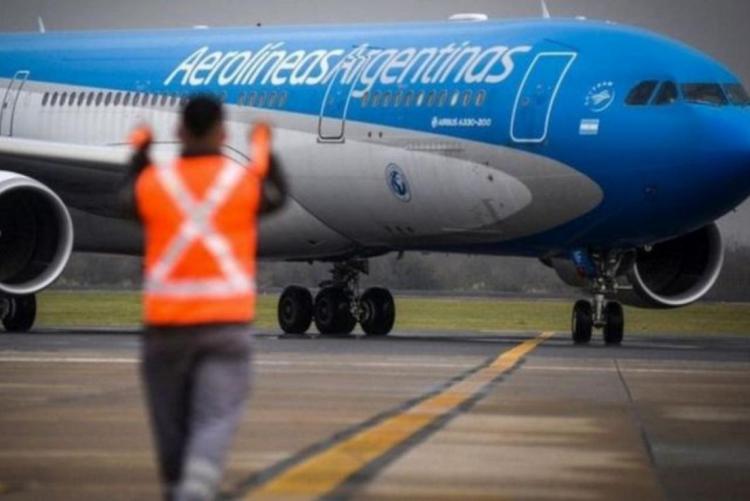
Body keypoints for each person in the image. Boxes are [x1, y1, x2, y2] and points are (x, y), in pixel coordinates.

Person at [122, 95, 286, 501]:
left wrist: (140, 153)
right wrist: (264, 147)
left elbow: (127, 199)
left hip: (166, 331)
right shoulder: (239, 183)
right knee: (214, 418)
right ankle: (196, 488)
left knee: (170, 427)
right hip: (225, 328)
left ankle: (178, 487)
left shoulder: (156, 182)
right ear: (222, 133)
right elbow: (276, 193)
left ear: (178, 131)